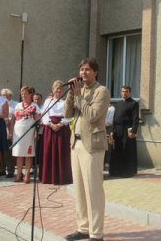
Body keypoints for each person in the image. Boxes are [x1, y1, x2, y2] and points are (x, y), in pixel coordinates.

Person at [64, 58, 110, 241]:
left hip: (93, 145)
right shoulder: (78, 91)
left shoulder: (102, 91)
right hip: (76, 144)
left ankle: (96, 233)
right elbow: (67, 114)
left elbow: (92, 115)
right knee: (80, 190)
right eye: (81, 69)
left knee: (93, 189)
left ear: (95, 72)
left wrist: (78, 97)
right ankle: (83, 228)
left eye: (87, 70)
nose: (83, 73)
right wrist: (70, 95)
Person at [41, 80, 72, 185]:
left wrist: (60, 124)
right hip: (50, 129)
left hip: (62, 128)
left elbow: (68, 115)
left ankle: (63, 177)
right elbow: (44, 114)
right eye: (56, 89)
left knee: (62, 151)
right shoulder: (48, 101)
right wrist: (50, 124)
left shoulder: (65, 102)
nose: (59, 91)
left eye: (60, 89)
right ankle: (49, 177)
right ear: (53, 90)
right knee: (49, 151)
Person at [10, 86, 40, 184]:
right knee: (19, 154)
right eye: (22, 94)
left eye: (26, 94)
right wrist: (10, 132)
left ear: (31, 95)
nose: (23, 96)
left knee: (28, 154)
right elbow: (13, 119)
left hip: (29, 132)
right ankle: (18, 174)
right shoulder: (18, 105)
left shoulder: (35, 106)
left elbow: (37, 121)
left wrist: (36, 132)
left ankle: (27, 174)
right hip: (17, 132)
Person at [109, 86, 139, 177]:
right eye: (122, 91)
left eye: (126, 91)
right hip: (117, 130)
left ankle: (127, 171)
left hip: (127, 130)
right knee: (117, 149)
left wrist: (133, 131)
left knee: (127, 150)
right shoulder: (118, 103)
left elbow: (135, 119)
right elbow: (114, 118)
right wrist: (112, 131)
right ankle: (116, 171)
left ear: (129, 92)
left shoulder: (133, 103)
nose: (124, 93)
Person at [0, 88, 17, 178]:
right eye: (3, 95)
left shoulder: (16, 104)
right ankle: (1, 169)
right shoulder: (0, 103)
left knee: (8, 150)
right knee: (0, 149)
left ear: (11, 96)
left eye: (7, 95)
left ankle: (10, 170)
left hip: (11, 127)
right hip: (1, 126)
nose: (5, 97)